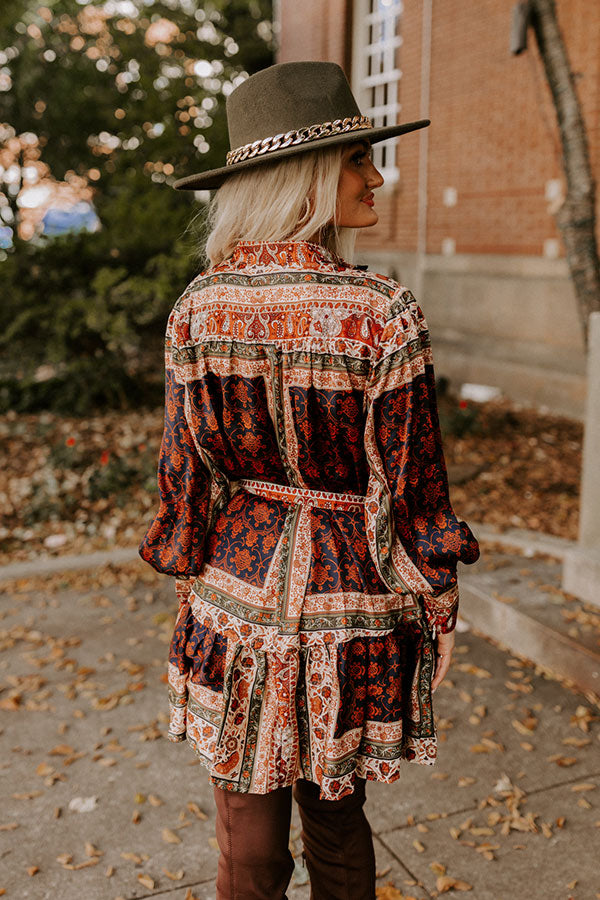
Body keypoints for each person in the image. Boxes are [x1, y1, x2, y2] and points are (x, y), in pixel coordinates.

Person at [140, 60, 480, 900]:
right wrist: (434, 593)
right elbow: (412, 489)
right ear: (308, 175)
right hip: (349, 603)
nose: (377, 175)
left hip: (235, 594)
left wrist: (191, 560)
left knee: (243, 830)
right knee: (336, 823)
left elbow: (184, 478)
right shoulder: (381, 311)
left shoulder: (199, 306)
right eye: (359, 158)